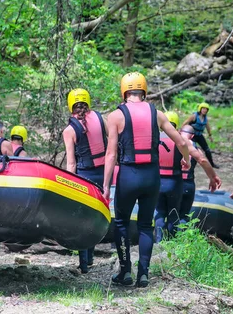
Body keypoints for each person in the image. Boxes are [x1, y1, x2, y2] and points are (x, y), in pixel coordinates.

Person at [102, 72, 190, 288]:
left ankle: (125, 272)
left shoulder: (115, 116)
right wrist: (185, 160)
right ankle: (144, 274)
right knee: (145, 225)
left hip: (129, 176)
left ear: (124, 91)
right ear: (144, 90)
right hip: (152, 176)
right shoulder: (158, 114)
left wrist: (106, 186)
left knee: (121, 223)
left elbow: (111, 155)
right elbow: (182, 142)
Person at [155, 114, 221, 242]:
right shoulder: (181, 140)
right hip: (175, 182)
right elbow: (201, 159)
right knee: (174, 215)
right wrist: (213, 177)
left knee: (160, 213)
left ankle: (159, 241)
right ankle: (173, 243)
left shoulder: (154, 138)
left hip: (158, 182)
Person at [62, 88, 107, 274]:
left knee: (82, 219)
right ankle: (91, 257)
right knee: (96, 216)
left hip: (83, 176)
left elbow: (71, 163)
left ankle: (84, 262)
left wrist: (67, 186)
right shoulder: (100, 118)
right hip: (103, 173)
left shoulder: (69, 130)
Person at [176, 125, 221, 228]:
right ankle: (181, 239)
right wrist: (213, 178)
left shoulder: (172, 143)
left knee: (171, 214)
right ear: (192, 136)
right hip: (188, 183)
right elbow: (203, 161)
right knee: (184, 215)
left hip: (173, 181)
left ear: (179, 132)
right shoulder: (194, 148)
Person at [182, 102, 219, 168]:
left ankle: (212, 164)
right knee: (192, 149)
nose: (205, 110)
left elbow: (208, 127)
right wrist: (181, 131)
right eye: (203, 109)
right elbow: (185, 123)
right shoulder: (194, 116)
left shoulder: (205, 118)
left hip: (199, 136)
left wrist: (210, 135)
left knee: (207, 150)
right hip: (192, 136)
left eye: (206, 109)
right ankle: (187, 162)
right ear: (200, 109)